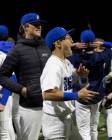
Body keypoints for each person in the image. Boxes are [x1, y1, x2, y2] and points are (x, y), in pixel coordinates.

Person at [41, 26, 99, 140]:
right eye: (68, 38)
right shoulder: (53, 65)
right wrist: (76, 95)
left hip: (67, 116)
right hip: (55, 121)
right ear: (58, 43)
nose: (72, 41)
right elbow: (47, 94)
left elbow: (66, 83)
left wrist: (78, 75)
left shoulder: (66, 62)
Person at [0, 12, 51, 140]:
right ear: (25, 27)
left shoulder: (45, 47)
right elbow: (2, 76)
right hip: (31, 107)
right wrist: (21, 89)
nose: (39, 26)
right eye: (35, 24)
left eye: (40, 24)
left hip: (51, 103)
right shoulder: (17, 50)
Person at [69, 29, 112, 140]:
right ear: (94, 42)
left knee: (83, 130)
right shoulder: (102, 56)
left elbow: (63, 52)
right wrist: (103, 43)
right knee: (93, 127)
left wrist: (74, 45)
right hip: (97, 96)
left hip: (81, 96)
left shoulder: (75, 57)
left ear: (81, 42)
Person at [0, 24, 16, 140]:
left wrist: (3, 101)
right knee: (8, 125)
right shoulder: (12, 49)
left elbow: (12, 77)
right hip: (9, 94)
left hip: (3, 95)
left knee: (3, 131)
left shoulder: (1, 54)